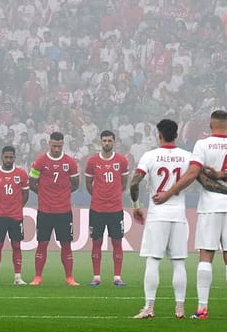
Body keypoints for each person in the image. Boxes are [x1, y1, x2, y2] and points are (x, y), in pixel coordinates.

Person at [134, 117, 204, 319]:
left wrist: (136, 205)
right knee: (179, 262)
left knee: (153, 260)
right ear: (175, 135)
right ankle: (179, 309)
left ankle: (149, 308)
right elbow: (201, 180)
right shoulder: (187, 156)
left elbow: (135, 181)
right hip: (178, 213)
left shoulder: (150, 156)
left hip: (157, 214)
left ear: (160, 135)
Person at [189, 110, 227, 319]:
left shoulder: (202, 145)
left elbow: (199, 175)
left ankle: (202, 308)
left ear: (210, 124)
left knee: (206, 256)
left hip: (210, 206)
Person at [28, 131, 80, 286]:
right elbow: (32, 183)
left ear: (63, 144)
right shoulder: (40, 162)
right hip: (45, 211)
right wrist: (44, 194)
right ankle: (37, 277)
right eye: (54, 145)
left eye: (59, 146)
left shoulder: (70, 162)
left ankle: (69, 277)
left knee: (66, 244)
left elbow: (76, 183)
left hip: (64, 211)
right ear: (49, 143)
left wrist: (62, 194)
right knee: (42, 243)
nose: (57, 149)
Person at [82, 130, 131, 287]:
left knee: (117, 242)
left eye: (109, 141)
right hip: (97, 209)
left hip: (115, 209)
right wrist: (98, 195)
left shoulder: (122, 161)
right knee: (96, 242)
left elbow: (124, 183)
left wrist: (114, 195)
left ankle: (117, 277)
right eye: (104, 141)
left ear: (114, 142)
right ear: (100, 142)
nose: (107, 143)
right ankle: (96, 277)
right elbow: (88, 184)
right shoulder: (92, 161)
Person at [0, 146, 30, 284]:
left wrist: (16, 207)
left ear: (14, 157)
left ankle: (17, 277)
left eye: (11, 157)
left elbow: (25, 195)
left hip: (16, 216)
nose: (8, 160)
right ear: (2, 157)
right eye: (6, 157)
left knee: (16, 245)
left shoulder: (21, 174)